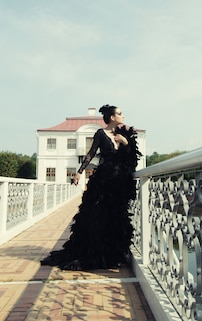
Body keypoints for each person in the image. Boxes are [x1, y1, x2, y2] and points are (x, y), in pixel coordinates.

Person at [40, 104, 142, 270]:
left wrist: (126, 143)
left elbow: (131, 159)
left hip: (118, 186)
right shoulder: (100, 134)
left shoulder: (123, 134)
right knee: (97, 218)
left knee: (115, 219)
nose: (123, 116)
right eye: (120, 114)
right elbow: (91, 153)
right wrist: (79, 172)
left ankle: (112, 254)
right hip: (103, 183)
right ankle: (94, 254)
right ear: (112, 117)